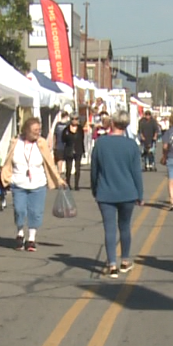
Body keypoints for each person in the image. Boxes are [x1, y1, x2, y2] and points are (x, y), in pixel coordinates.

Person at [91, 111, 145, 279]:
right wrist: (140, 194)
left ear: (112, 123)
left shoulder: (101, 143)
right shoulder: (131, 145)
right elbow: (137, 172)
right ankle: (125, 260)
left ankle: (112, 264)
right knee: (125, 226)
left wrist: (95, 189)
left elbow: (94, 170)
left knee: (109, 228)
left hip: (106, 192)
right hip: (128, 192)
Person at [0, 118, 65, 252]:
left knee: (35, 212)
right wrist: (6, 177)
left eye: (39, 130)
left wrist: (59, 180)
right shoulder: (15, 142)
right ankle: (20, 234)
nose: (38, 132)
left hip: (38, 184)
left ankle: (31, 239)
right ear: (26, 130)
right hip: (18, 183)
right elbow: (8, 161)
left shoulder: (41, 143)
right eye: (35, 130)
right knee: (19, 209)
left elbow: (50, 164)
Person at [61, 117, 87, 191]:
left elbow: (82, 139)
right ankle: (68, 183)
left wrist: (83, 151)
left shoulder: (80, 129)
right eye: (73, 119)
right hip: (69, 150)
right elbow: (63, 139)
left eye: (76, 119)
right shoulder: (66, 129)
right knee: (68, 168)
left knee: (77, 168)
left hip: (78, 150)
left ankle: (76, 185)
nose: (75, 120)